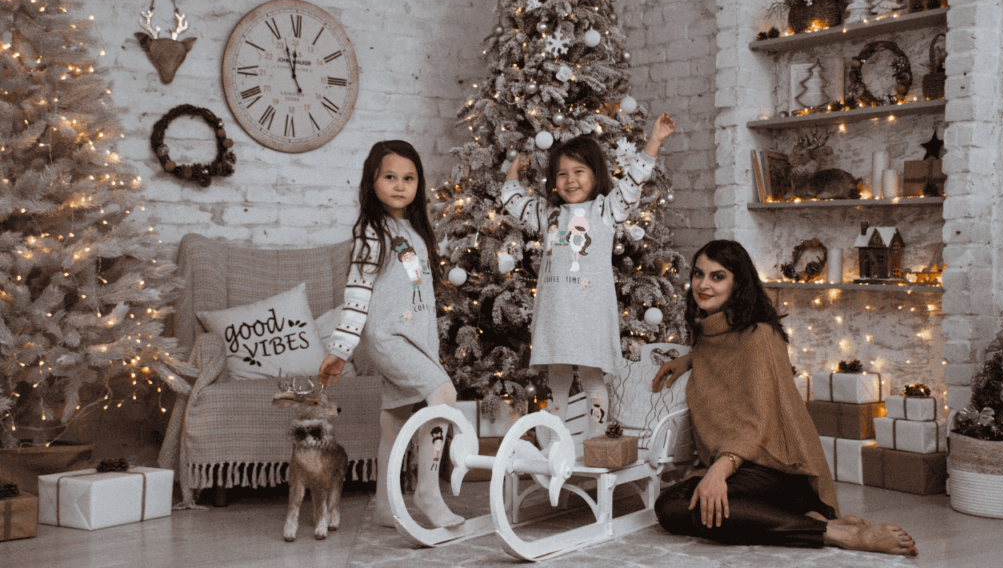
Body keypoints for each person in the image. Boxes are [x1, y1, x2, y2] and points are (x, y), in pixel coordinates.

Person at [651, 239, 918, 556]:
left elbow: (760, 418)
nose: (703, 285)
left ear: (738, 284)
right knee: (669, 507)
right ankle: (805, 520)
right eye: (699, 274)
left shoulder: (760, 334)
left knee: (701, 507)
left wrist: (720, 469)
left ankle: (831, 532)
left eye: (717, 276)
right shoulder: (709, 335)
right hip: (747, 471)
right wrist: (690, 359)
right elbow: (723, 360)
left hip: (780, 470)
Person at [502, 113, 675, 450]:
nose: (570, 180)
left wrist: (653, 141)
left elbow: (633, 184)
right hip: (556, 314)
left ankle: (595, 447)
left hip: (591, 313)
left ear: (596, 176)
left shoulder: (605, 210)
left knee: (594, 378)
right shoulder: (547, 214)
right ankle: (554, 448)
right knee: (558, 381)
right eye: (562, 174)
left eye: (579, 172)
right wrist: (512, 173)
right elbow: (513, 201)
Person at [318, 139, 464, 529]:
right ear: (372, 181)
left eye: (409, 178)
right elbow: (356, 294)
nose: (400, 185)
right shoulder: (371, 232)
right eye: (390, 177)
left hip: (417, 337)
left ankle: (385, 504)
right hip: (387, 337)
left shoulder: (415, 228)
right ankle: (428, 490)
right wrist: (340, 350)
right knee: (443, 393)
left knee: (394, 421)